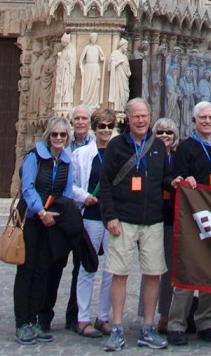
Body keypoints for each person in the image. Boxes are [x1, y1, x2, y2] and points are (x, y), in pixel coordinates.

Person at [98, 98, 171, 350]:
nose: (141, 120)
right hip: (123, 220)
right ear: (127, 119)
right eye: (136, 116)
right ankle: (116, 327)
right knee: (119, 273)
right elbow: (105, 183)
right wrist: (110, 216)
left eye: (145, 116)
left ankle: (148, 328)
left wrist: (179, 182)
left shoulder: (158, 147)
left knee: (153, 274)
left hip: (152, 220)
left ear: (150, 117)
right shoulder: (116, 146)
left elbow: (165, 180)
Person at [165, 102, 211, 346]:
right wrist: (185, 179)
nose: (207, 121)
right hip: (191, 219)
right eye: (203, 117)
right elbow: (176, 178)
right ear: (194, 120)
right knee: (186, 271)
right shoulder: (186, 147)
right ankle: (177, 324)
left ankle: (205, 321)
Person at [13, 116, 75, 345]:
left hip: (51, 221)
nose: (58, 138)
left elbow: (67, 193)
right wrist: (41, 212)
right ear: (48, 135)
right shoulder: (34, 157)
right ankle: (22, 324)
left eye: (62, 135)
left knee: (42, 270)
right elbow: (27, 187)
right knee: (26, 270)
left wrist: (59, 213)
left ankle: (34, 321)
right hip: (31, 219)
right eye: (55, 134)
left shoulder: (67, 162)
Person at [44, 105, 94, 333]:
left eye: (85, 118)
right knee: (55, 263)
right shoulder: (62, 146)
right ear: (71, 121)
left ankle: (74, 317)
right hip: (64, 214)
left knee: (81, 266)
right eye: (77, 118)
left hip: (85, 215)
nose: (81, 122)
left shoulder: (97, 147)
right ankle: (44, 315)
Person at [70, 108, 118, 338]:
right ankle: (82, 318)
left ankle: (103, 317)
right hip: (90, 216)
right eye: (102, 126)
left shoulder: (119, 152)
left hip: (113, 217)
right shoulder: (81, 154)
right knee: (87, 267)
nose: (106, 130)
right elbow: (71, 184)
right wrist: (83, 197)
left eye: (110, 126)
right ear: (94, 128)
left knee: (111, 269)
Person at [149, 116, 179, 332]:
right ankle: (148, 315)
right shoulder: (148, 155)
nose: (165, 136)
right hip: (150, 215)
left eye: (169, 133)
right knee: (150, 267)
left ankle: (166, 314)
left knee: (169, 267)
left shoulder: (179, 157)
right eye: (160, 132)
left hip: (172, 216)